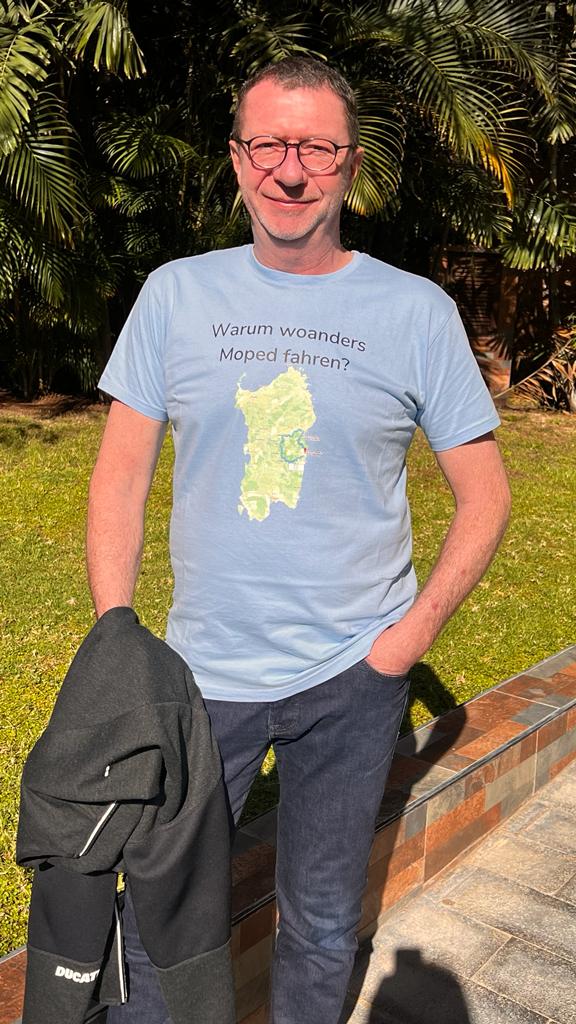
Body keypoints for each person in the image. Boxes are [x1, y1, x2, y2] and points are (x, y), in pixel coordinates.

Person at [87, 56, 511, 1024]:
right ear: (237, 159)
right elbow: (119, 474)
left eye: (316, 148)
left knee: (320, 922)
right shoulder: (175, 294)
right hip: (199, 674)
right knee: (157, 917)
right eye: (269, 145)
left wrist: (400, 646)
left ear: (349, 165)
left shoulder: (415, 311)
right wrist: (118, 632)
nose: (290, 171)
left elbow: (486, 497)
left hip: (351, 681)